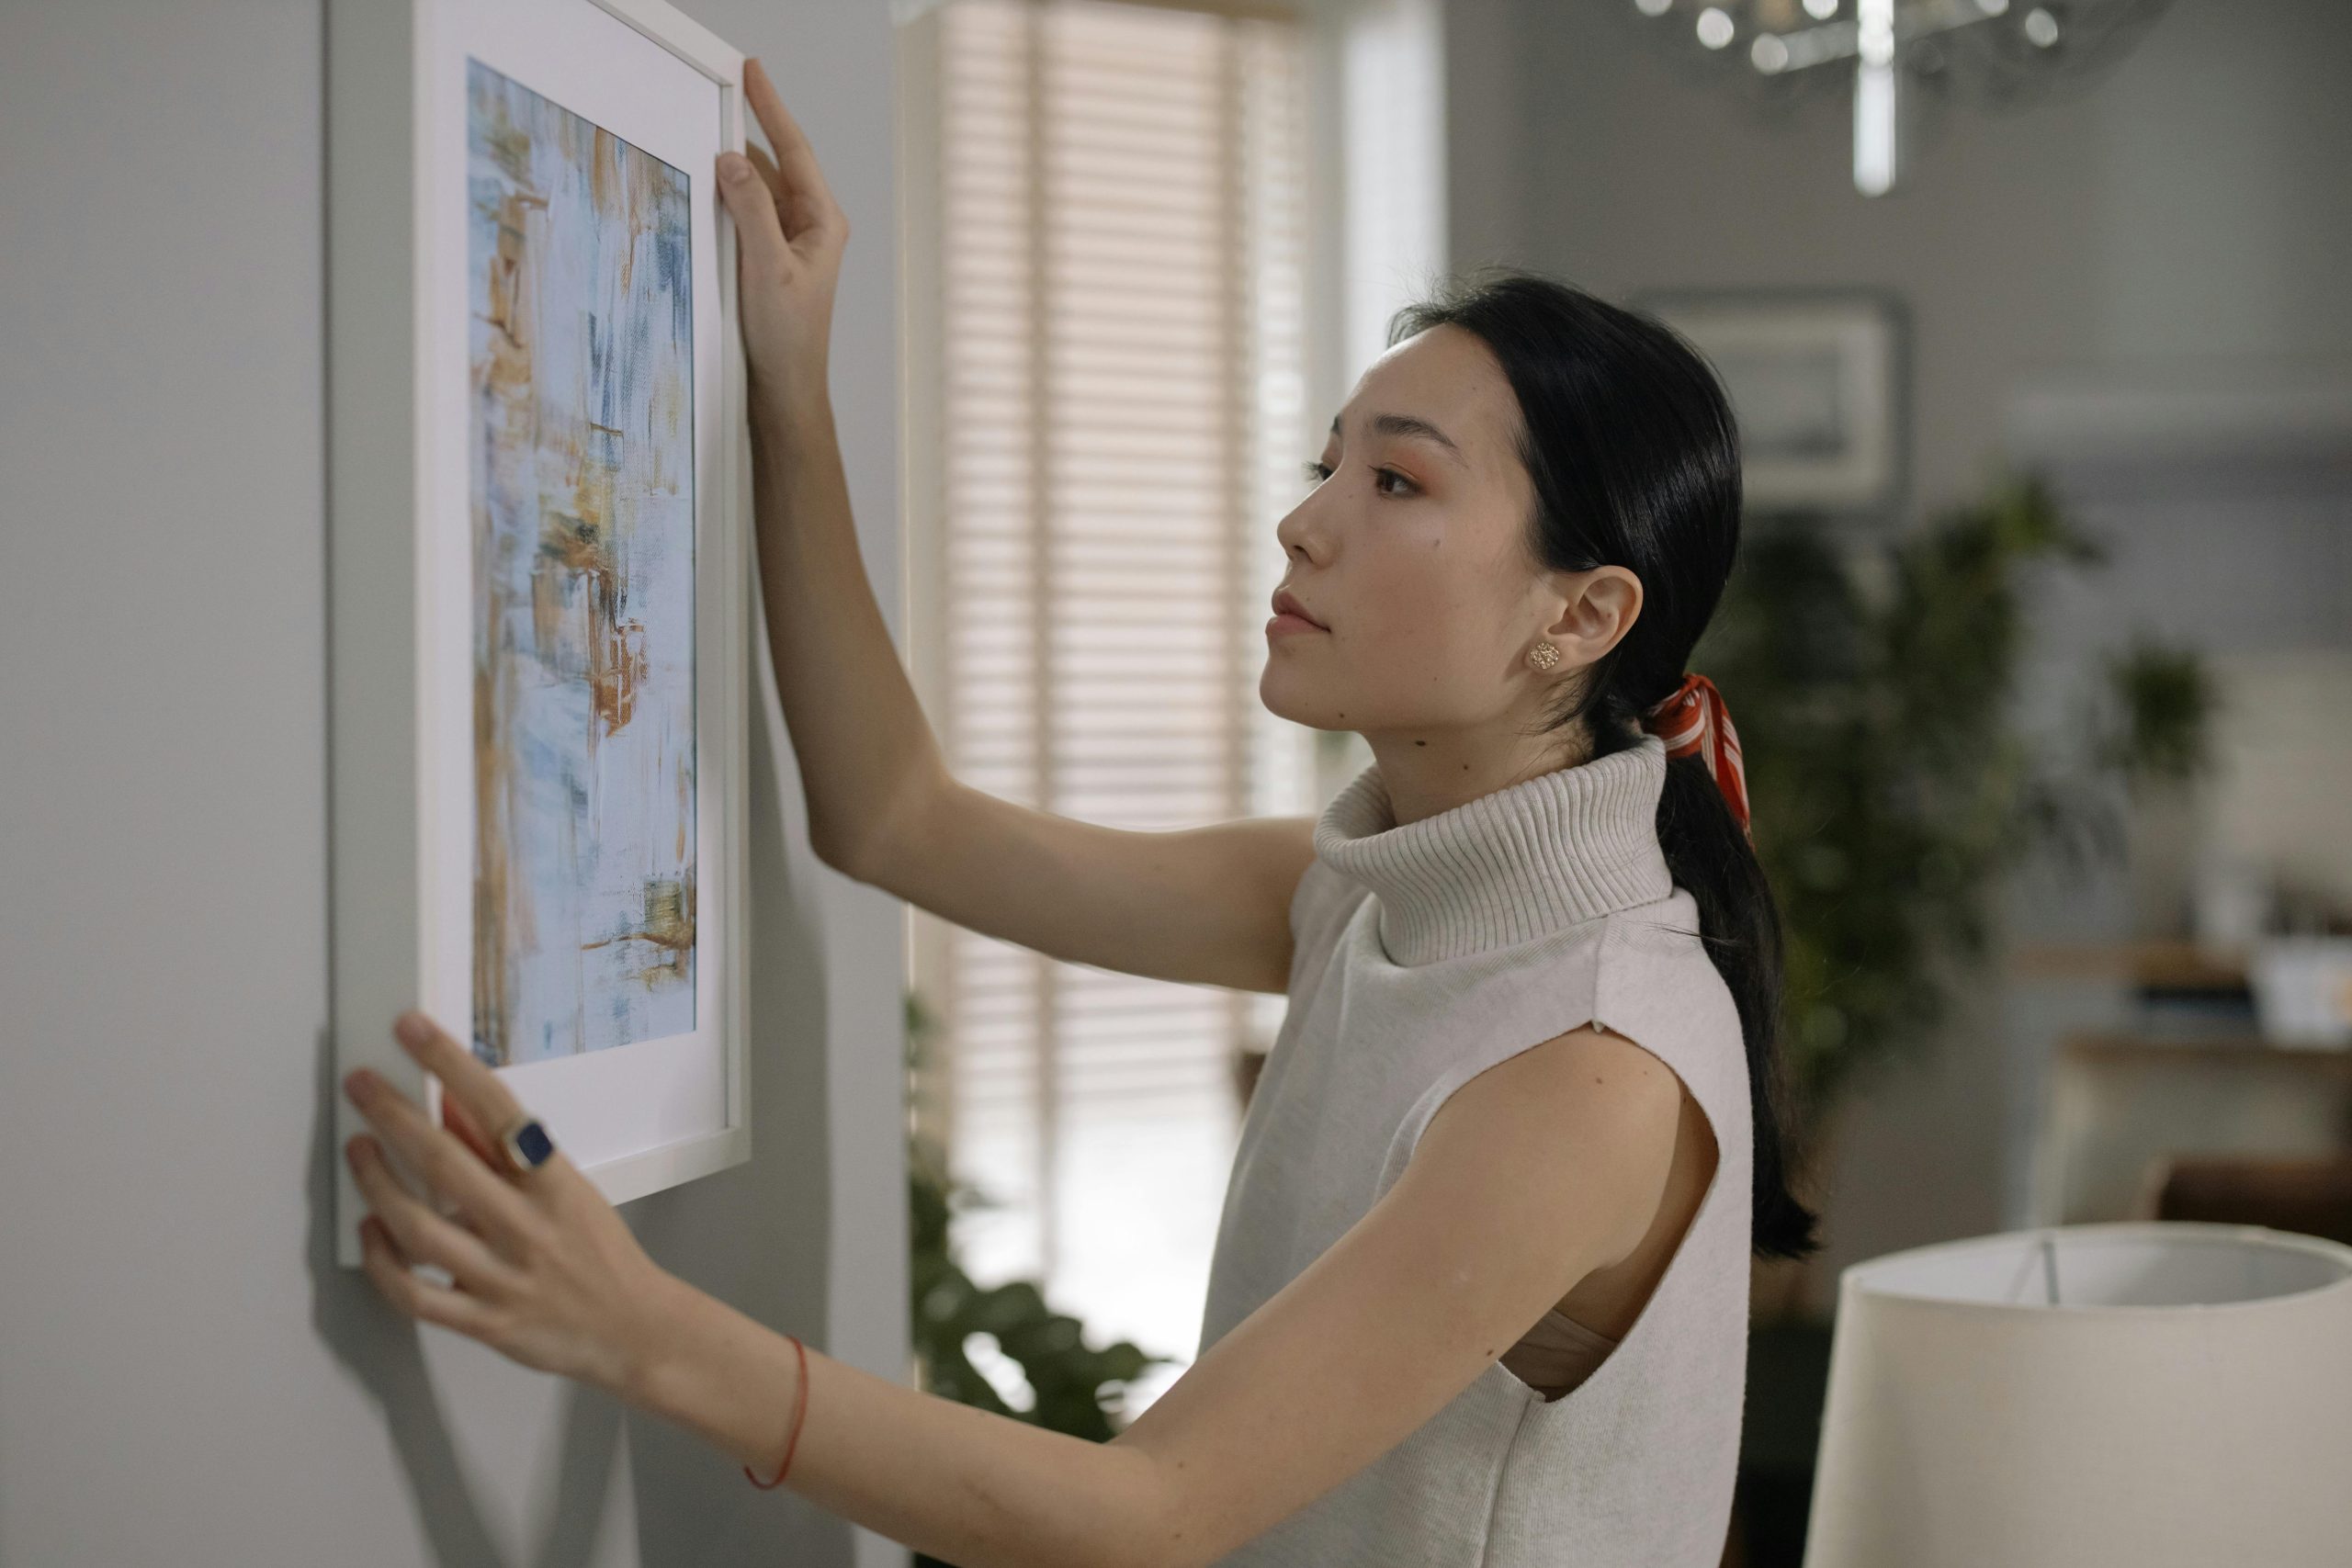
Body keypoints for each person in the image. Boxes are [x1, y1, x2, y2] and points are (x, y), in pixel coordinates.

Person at [340, 52, 1820, 1568]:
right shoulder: (1368, 891)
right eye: (1329, 467)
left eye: (1398, 485)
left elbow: (1152, 1510)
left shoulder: (1592, 1070)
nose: (1303, 522)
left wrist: (644, 1334)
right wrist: (793, 398)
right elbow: (896, 819)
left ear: (1579, 617)